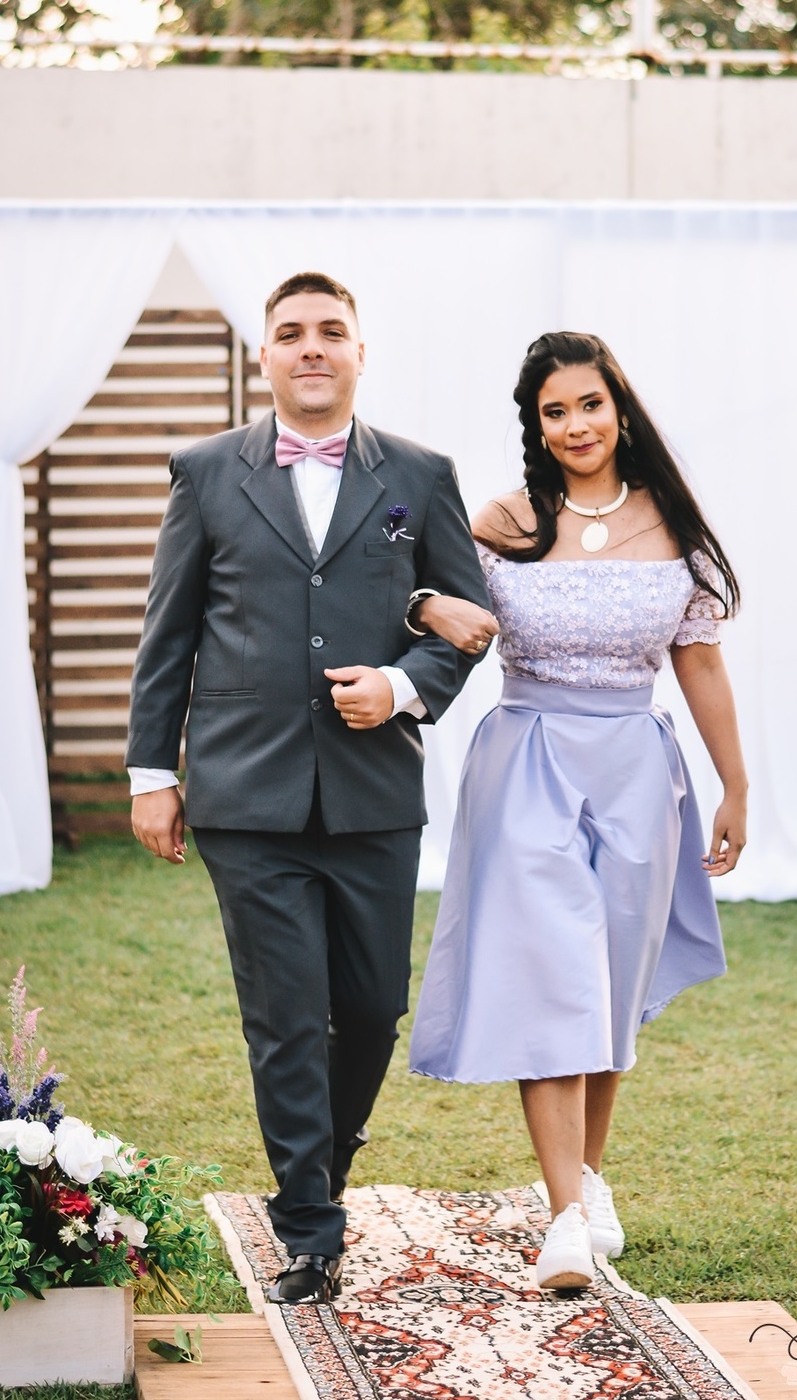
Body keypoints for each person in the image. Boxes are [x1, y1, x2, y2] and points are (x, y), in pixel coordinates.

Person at [125, 272, 493, 1304]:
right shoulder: (206, 473)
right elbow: (169, 635)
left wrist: (403, 688)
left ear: (361, 352)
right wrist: (153, 774)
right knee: (286, 1016)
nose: (312, 347)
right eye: (291, 333)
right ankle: (310, 1228)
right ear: (266, 357)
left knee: (371, 1009)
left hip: (375, 794)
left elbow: (463, 623)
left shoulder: (421, 475)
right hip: (246, 796)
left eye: (332, 331)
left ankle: (320, 1167)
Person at [407, 331, 748, 1291]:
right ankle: (562, 1214)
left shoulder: (673, 523)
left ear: (620, 409)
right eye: (553, 411)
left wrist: (736, 784)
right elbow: (422, 602)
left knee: (608, 979)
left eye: (589, 404)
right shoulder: (503, 521)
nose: (575, 425)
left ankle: (587, 1176)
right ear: (536, 425)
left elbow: (700, 661)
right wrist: (426, 606)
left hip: (638, 770)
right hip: (526, 762)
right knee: (552, 973)